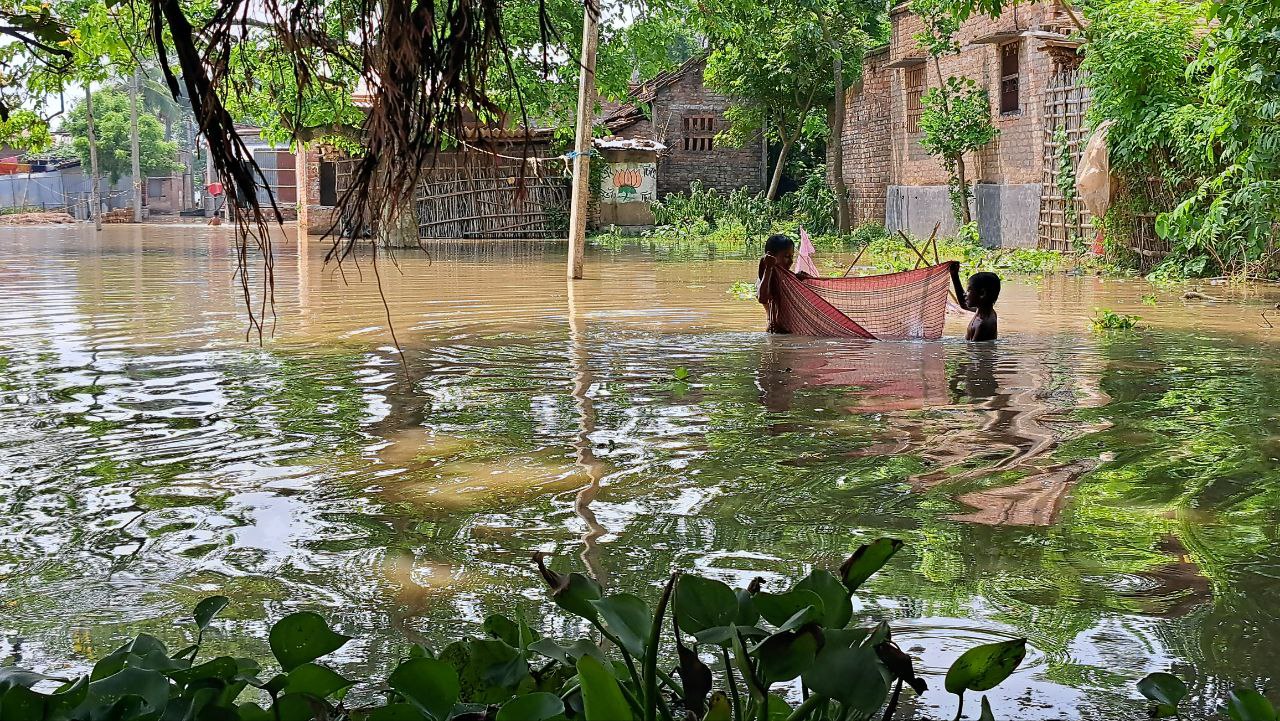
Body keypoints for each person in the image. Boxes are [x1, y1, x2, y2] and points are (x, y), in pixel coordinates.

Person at [757, 234, 811, 333]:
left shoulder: (787, 277)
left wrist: (802, 280)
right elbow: (763, 298)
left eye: (792, 256)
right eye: (786, 256)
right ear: (771, 256)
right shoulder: (766, 277)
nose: (790, 261)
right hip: (777, 333)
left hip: (791, 332)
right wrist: (768, 268)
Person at [949, 263, 1000, 341]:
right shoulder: (984, 310)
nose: (965, 294)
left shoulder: (983, 325)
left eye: (969, 290)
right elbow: (964, 304)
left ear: (982, 294)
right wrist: (954, 275)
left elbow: (975, 351)